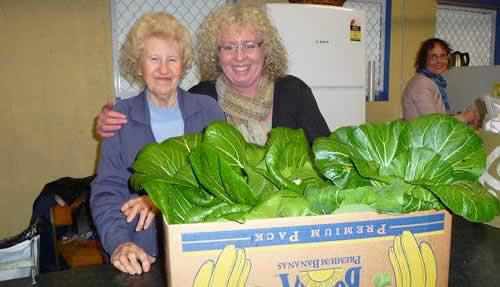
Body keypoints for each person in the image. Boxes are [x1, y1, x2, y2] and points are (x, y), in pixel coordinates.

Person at [90, 12, 225, 275]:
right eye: (154, 59)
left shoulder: (209, 111)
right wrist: (119, 243)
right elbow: (107, 192)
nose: (163, 70)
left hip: (204, 254)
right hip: (142, 258)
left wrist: (158, 198)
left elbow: (221, 183)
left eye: (172, 60)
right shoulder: (119, 118)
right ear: (139, 65)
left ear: (183, 66)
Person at [96, 3, 330, 145]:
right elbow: (157, 116)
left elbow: (325, 153)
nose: (239, 57)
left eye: (249, 45)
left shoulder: (294, 92)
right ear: (215, 54)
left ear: (265, 49)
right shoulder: (201, 97)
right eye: (228, 47)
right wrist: (114, 122)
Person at [402, 37, 479, 126]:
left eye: (443, 56)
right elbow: (435, 123)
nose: (439, 61)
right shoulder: (421, 85)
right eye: (433, 57)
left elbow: (439, 116)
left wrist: (459, 116)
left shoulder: (434, 81)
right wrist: (465, 117)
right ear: (424, 60)